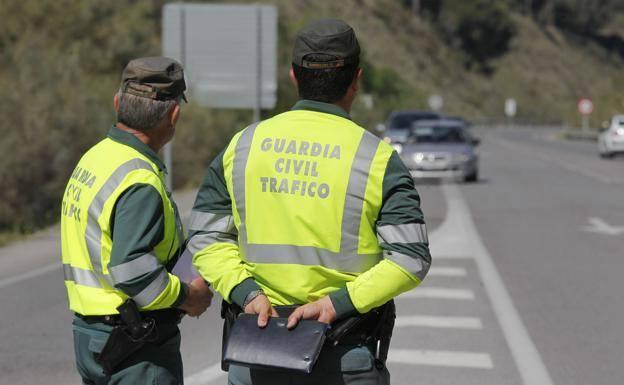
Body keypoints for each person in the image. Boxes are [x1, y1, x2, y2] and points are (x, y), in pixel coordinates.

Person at [188, 19, 431, 385]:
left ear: (293, 76)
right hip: (344, 358)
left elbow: (206, 238)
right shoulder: (377, 159)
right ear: (356, 79)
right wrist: (337, 305)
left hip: (257, 352)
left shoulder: (242, 147)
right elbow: (410, 258)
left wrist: (245, 292)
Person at [60, 56, 213, 385]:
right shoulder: (139, 180)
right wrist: (190, 297)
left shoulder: (96, 157)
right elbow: (133, 273)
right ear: (174, 115)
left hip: (91, 336)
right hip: (137, 346)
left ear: (117, 103)